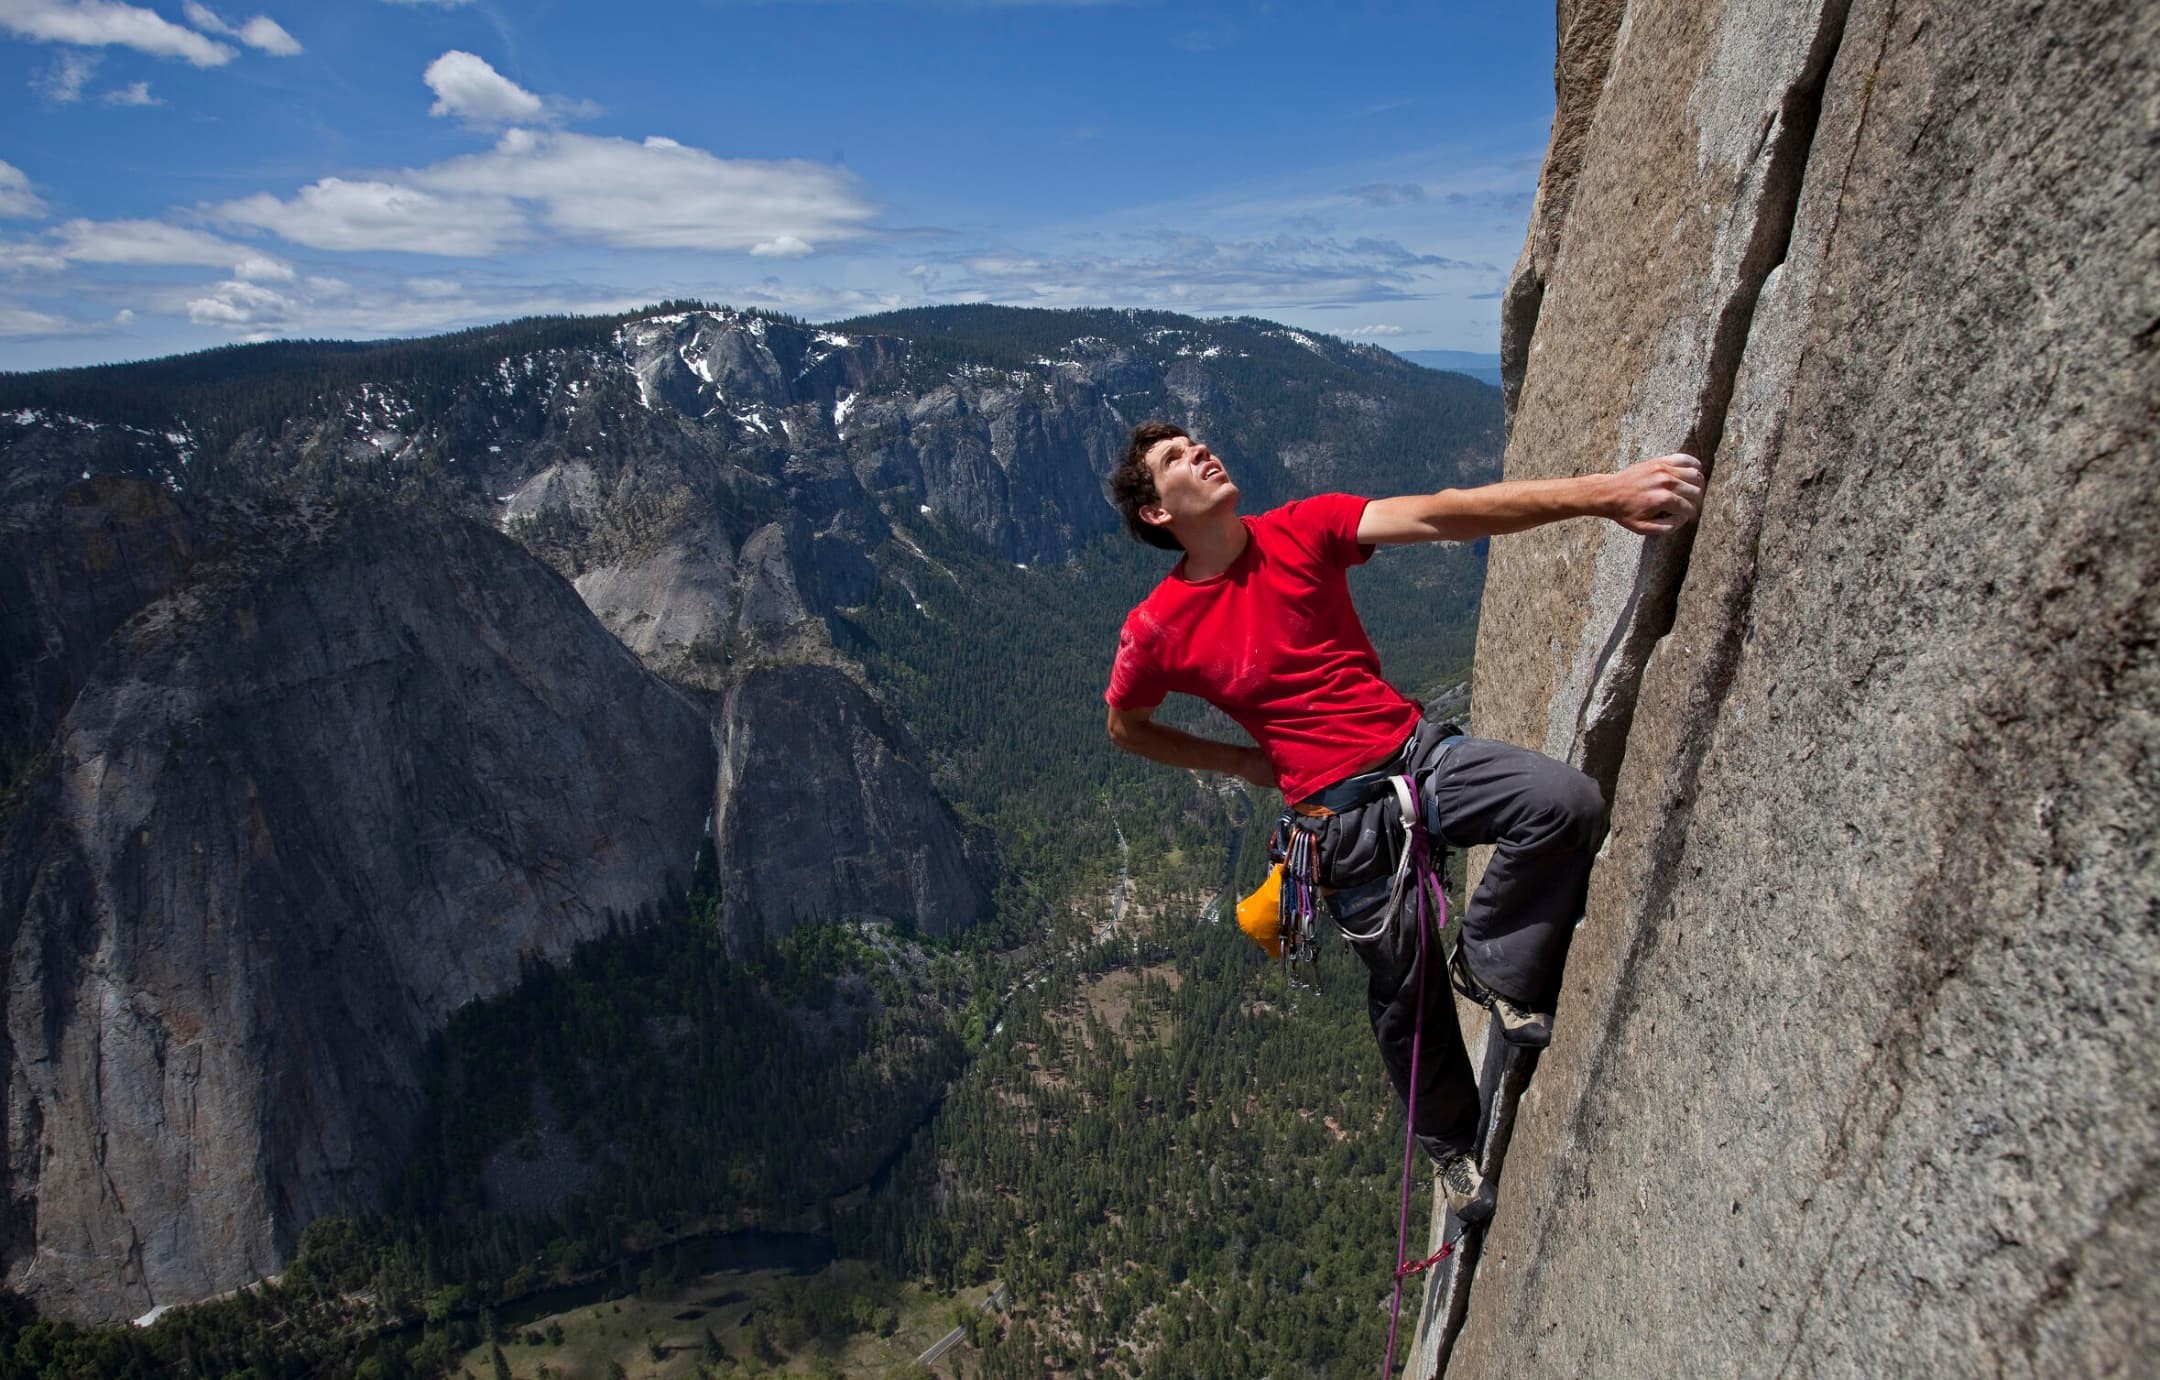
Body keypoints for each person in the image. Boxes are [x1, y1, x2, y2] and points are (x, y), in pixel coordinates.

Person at [1102, 420, 1703, 1221]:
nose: (1200, 450)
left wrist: (1605, 495)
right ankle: (1453, 1148)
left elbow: (1447, 512)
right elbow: (1125, 727)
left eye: (1195, 440)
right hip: (1338, 821)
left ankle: (1491, 966)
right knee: (1404, 995)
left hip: (1417, 757)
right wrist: (1245, 763)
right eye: (1173, 457)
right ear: (1154, 512)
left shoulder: (1304, 528)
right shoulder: (1159, 627)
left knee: (1563, 804)